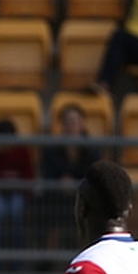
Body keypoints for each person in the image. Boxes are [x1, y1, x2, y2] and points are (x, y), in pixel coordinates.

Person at [39, 103, 101, 248]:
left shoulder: (92, 151)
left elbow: (94, 178)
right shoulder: (51, 150)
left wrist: (76, 185)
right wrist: (60, 183)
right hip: (57, 196)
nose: (71, 126)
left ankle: (85, 251)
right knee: (45, 205)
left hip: (83, 196)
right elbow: (47, 175)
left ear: (82, 124)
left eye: (74, 122)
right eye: (67, 122)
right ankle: (48, 255)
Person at [0, 119, 35, 255]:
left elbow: (29, 176)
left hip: (18, 194)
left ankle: (17, 258)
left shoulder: (22, 150)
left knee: (16, 210)